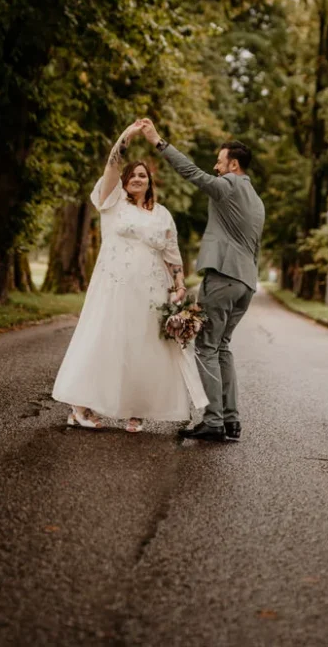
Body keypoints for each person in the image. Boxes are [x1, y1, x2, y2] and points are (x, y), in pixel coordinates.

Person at [51, 121, 208, 432]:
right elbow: (112, 164)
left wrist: (179, 286)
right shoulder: (112, 203)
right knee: (103, 341)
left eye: (143, 176)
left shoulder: (162, 214)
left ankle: (136, 410)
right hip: (114, 287)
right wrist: (128, 135)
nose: (137, 178)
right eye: (133, 175)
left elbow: (172, 254)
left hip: (151, 292)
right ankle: (79, 407)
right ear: (124, 181)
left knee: (144, 348)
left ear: (150, 183)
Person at [139, 119, 265, 443]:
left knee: (207, 347)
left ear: (233, 165)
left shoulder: (229, 185)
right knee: (222, 347)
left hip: (223, 278)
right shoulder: (256, 200)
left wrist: (159, 142)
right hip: (246, 283)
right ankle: (231, 420)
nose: (215, 167)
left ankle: (213, 421)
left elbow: (192, 173)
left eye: (220, 162)